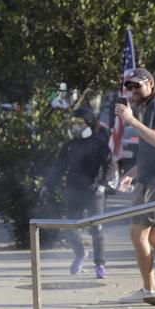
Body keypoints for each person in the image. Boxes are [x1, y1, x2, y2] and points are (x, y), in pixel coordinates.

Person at [114, 67, 155, 305]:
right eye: (129, 87)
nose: (133, 91)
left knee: (138, 234)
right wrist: (132, 173)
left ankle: (149, 288)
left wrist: (130, 120)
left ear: (151, 85)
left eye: (137, 85)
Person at [40, 108, 116, 278]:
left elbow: (110, 166)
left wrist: (103, 185)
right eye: (73, 123)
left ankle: (99, 265)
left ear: (89, 124)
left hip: (95, 192)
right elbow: (58, 168)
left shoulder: (98, 143)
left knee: (97, 229)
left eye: (79, 123)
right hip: (73, 191)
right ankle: (80, 254)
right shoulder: (69, 145)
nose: (75, 126)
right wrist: (47, 185)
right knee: (71, 229)